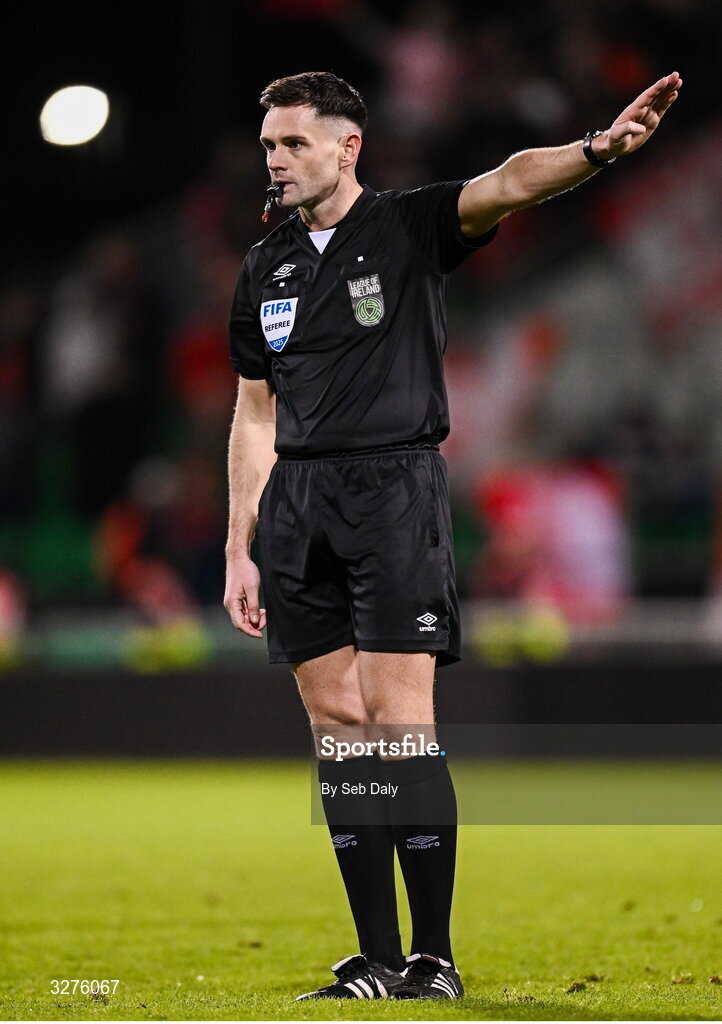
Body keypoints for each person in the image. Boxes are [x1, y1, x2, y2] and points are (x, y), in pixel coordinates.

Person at [224, 69, 681, 1001]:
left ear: (347, 147)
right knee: (341, 734)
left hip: (395, 490)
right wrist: (242, 541)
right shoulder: (263, 265)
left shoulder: (408, 226)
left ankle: (433, 956)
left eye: (293, 142)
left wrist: (594, 152)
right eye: (269, 144)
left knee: (400, 728)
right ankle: (375, 959)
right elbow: (252, 412)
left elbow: (510, 180)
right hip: (298, 507)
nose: (275, 159)